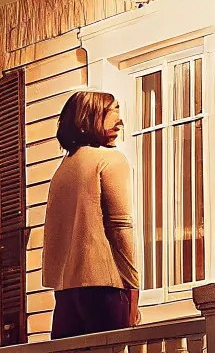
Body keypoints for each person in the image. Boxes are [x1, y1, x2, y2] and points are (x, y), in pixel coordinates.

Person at [43, 90, 141, 339]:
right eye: (113, 111)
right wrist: (133, 288)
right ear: (90, 116)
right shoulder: (110, 160)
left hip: (66, 294)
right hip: (105, 288)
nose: (121, 122)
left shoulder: (61, 171)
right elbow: (120, 228)